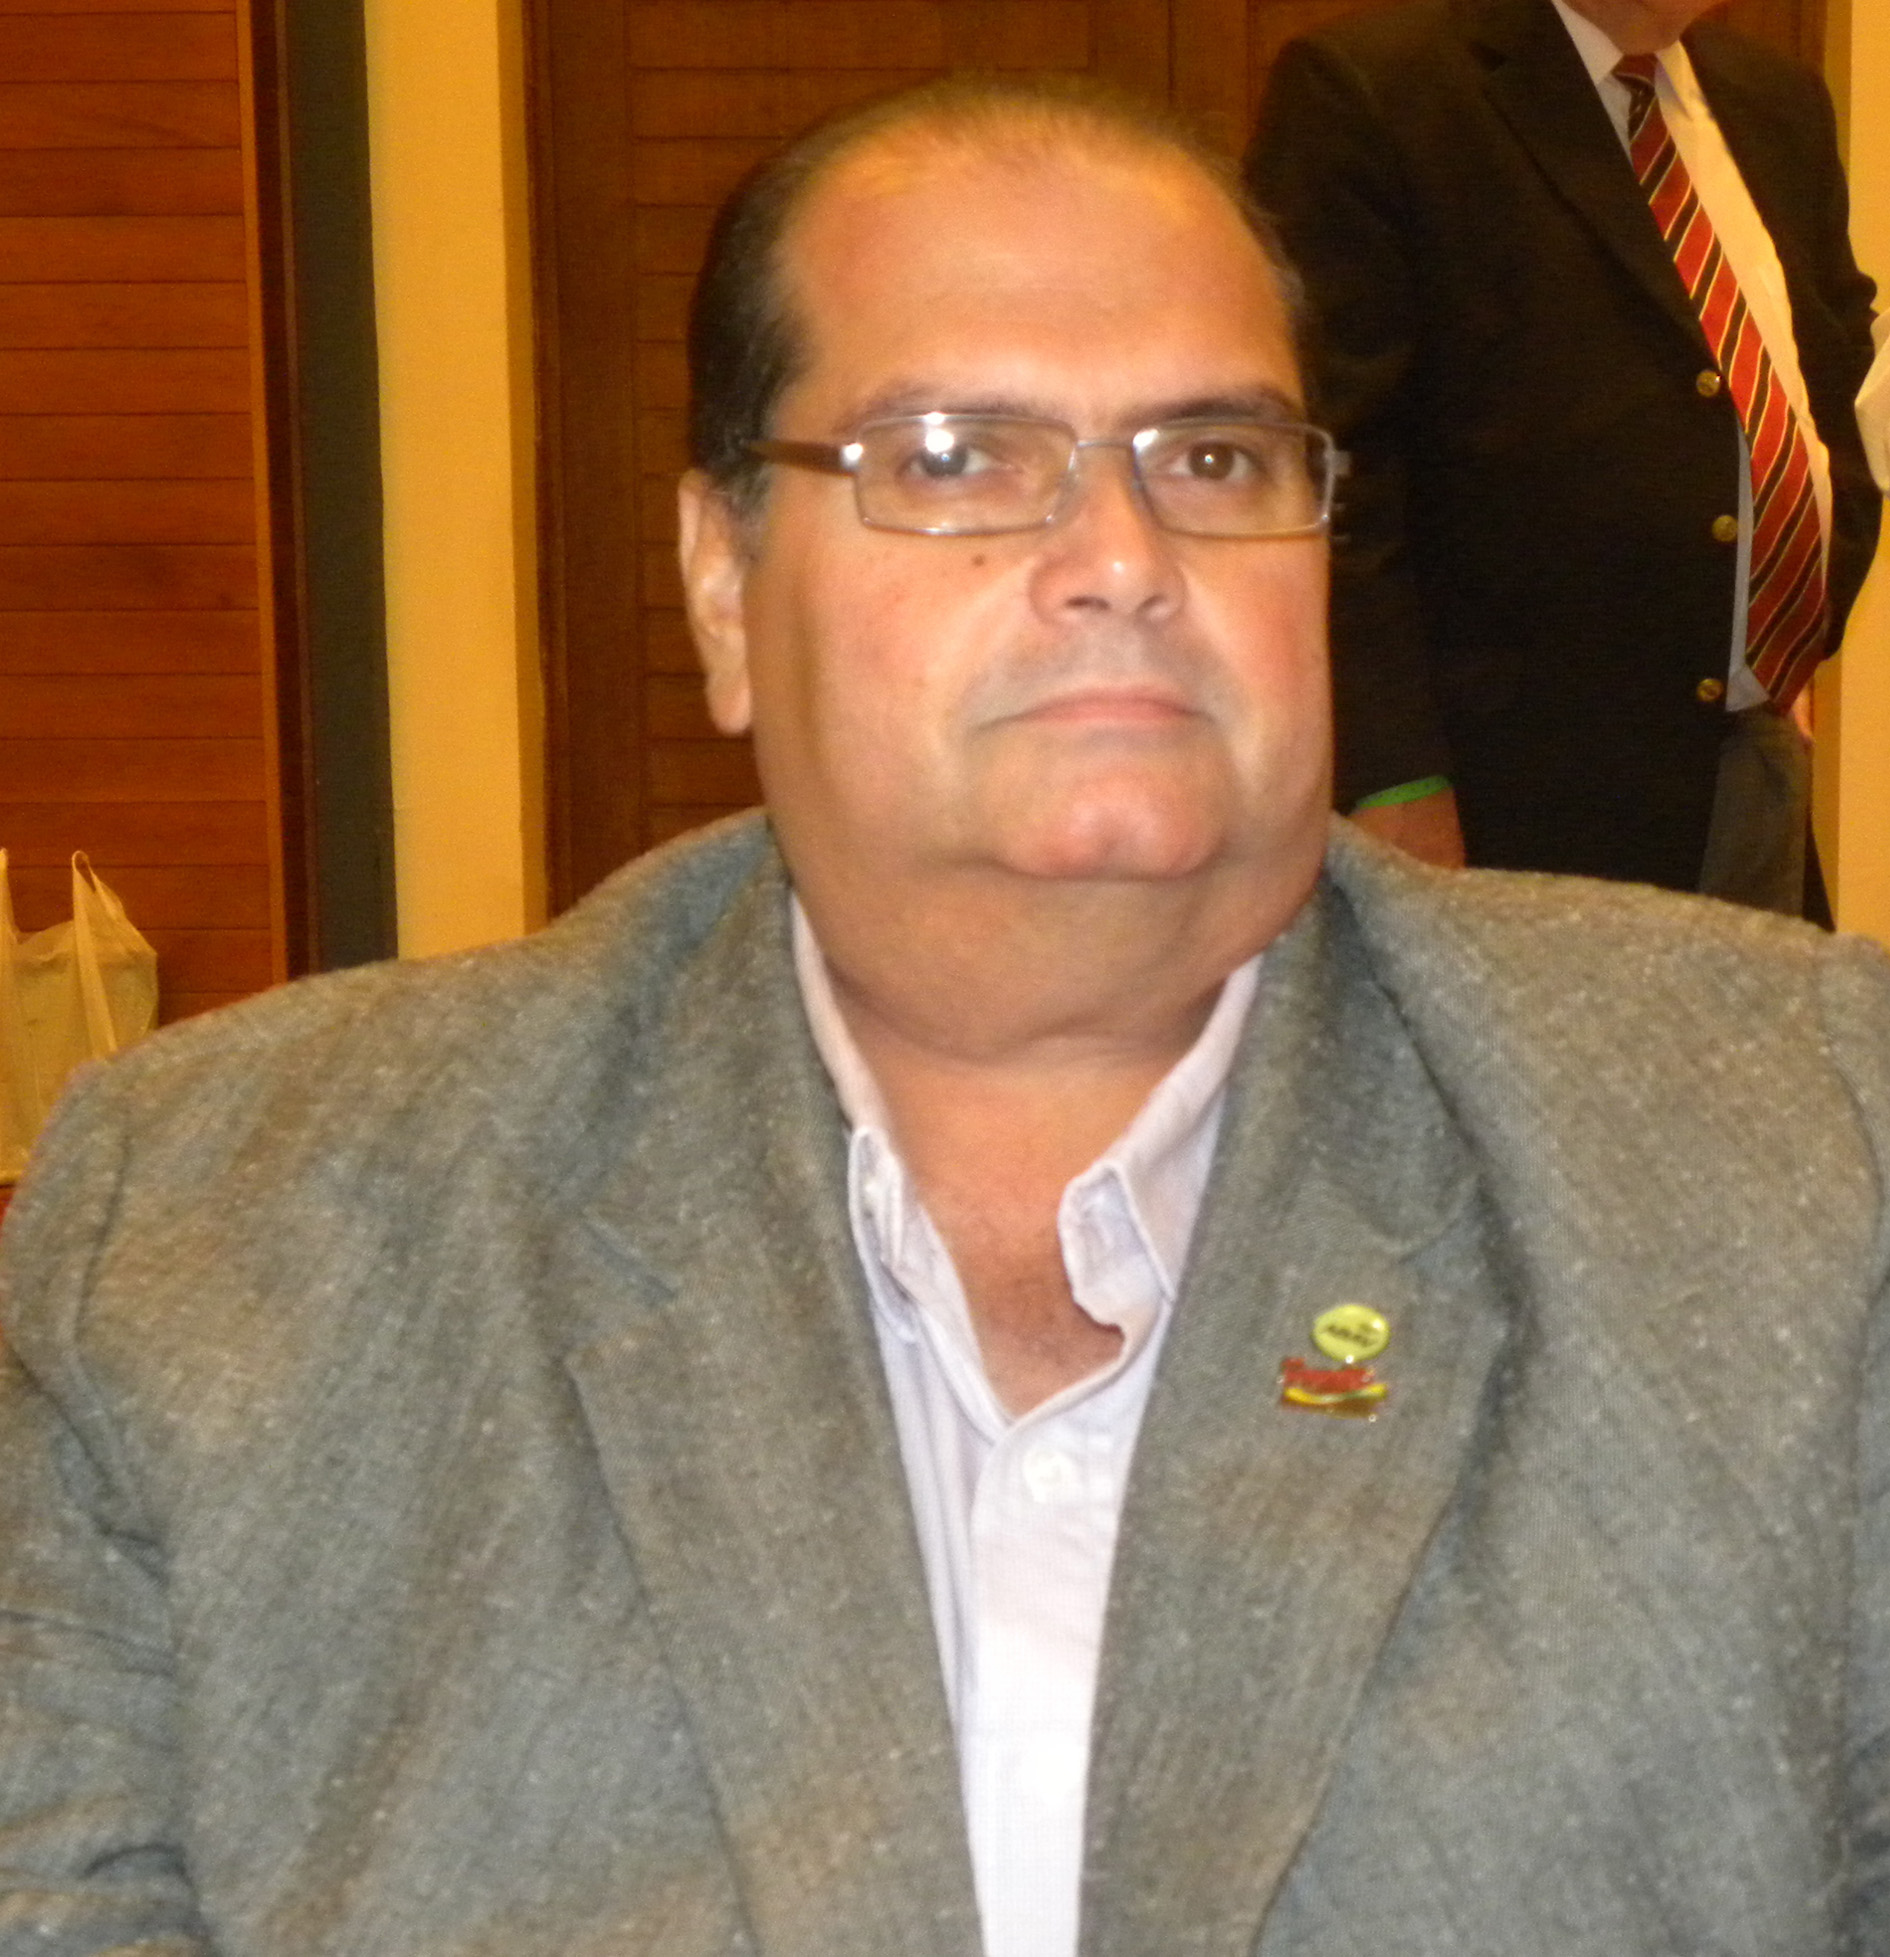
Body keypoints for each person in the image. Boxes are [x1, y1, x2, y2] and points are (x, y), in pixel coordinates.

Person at [1, 74, 1889, 1957]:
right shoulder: (215, 1236)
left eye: (1214, 459)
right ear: (723, 585)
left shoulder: (1797, 1158)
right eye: (957, 456)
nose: (1125, 559)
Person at [1245, 0, 1880, 914]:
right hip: (1498, 800)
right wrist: (1389, 773)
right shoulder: (1381, 90)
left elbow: (1836, 381)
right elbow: (1324, 456)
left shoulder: (1776, 103)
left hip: (1750, 762)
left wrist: (1785, 613)